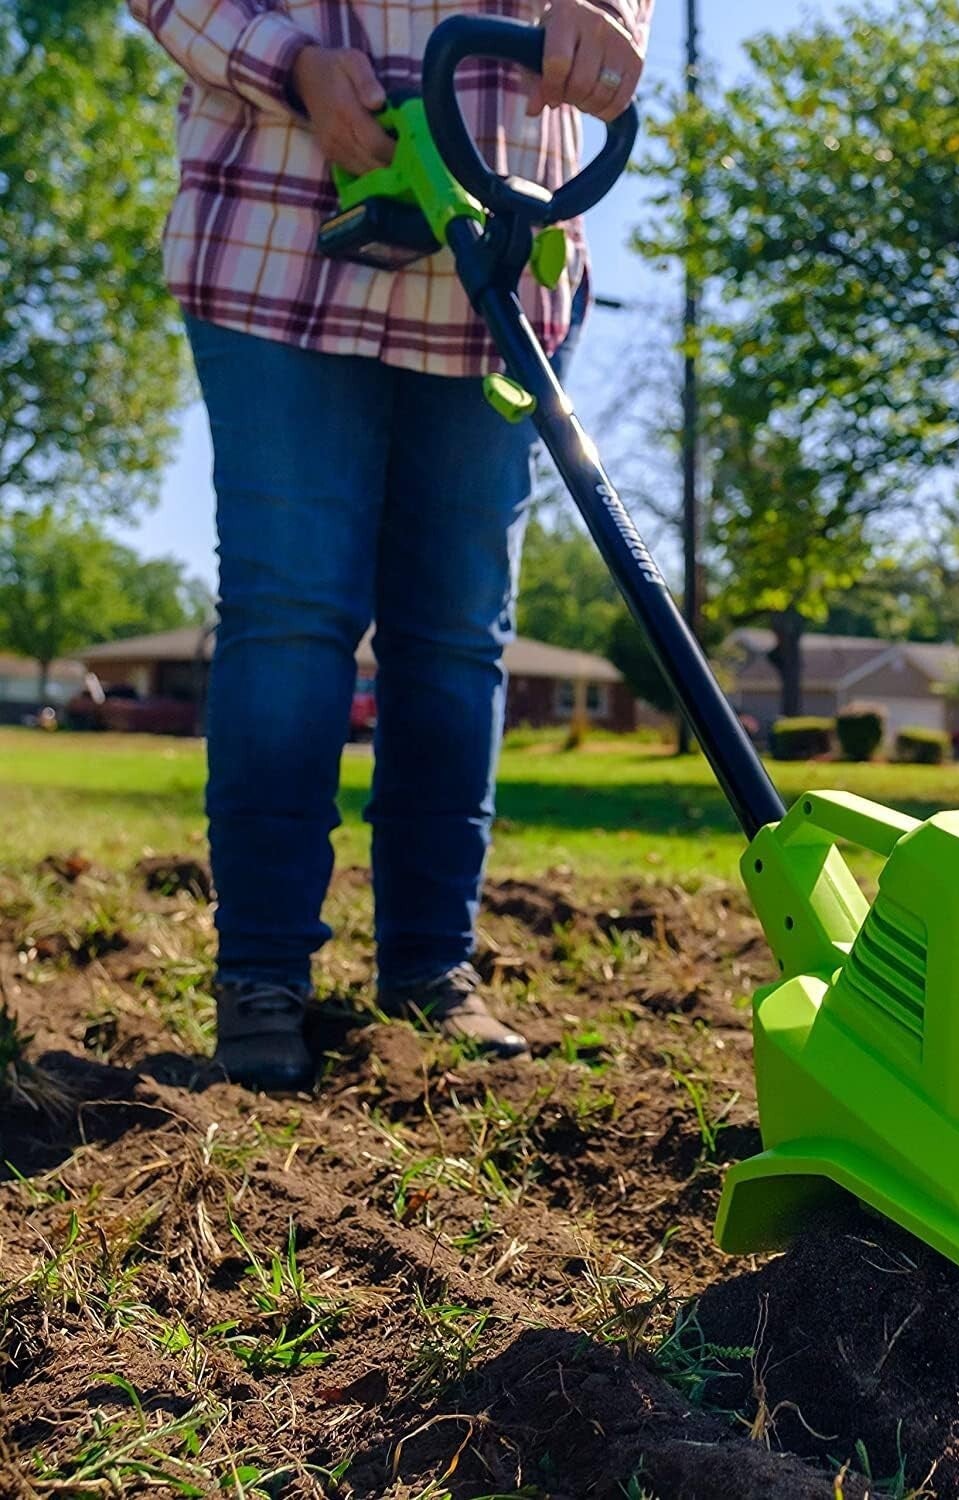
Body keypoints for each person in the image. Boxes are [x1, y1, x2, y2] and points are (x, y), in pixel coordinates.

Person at [131, 0, 652, 1091]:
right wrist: (290, 66)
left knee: (458, 637)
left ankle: (432, 969)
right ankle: (262, 974)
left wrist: (608, 16)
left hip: (499, 236)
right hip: (283, 224)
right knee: (289, 617)